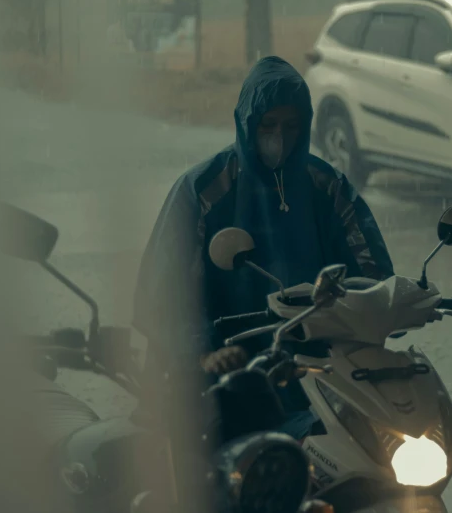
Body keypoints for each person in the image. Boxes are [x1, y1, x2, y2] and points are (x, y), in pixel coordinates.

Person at [132, 56, 394, 439]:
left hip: (319, 376)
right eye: (268, 125)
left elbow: (371, 273)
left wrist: (393, 305)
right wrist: (203, 352)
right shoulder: (204, 190)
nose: (280, 138)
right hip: (225, 382)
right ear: (247, 123)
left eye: (291, 126)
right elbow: (166, 292)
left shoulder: (327, 187)